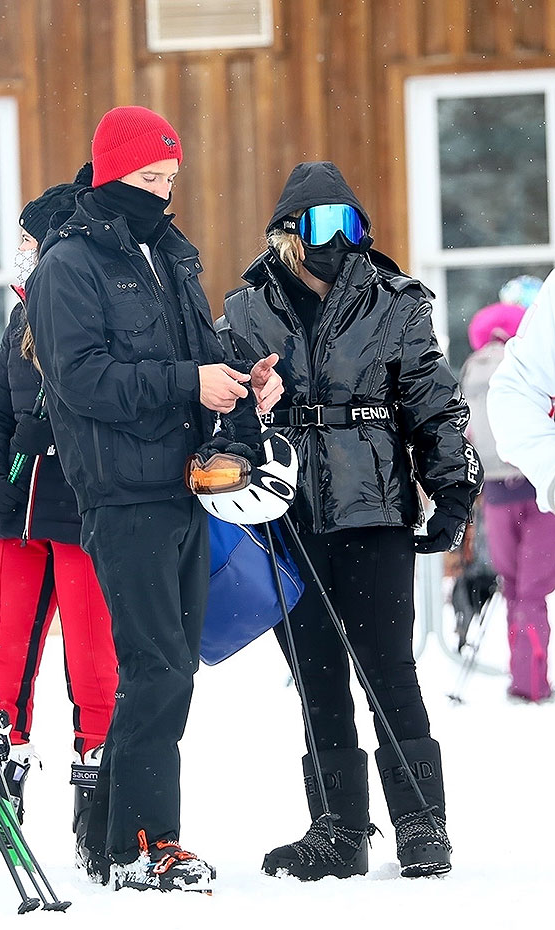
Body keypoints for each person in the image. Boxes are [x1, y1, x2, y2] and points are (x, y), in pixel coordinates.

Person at [24, 105, 283, 894]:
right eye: (148, 178)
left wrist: (246, 385)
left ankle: (109, 843)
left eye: (170, 178)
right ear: (110, 173)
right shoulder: (67, 267)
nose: (162, 192)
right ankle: (147, 843)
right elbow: (81, 380)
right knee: (157, 667)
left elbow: (203, 355)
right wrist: (186, 381)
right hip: (119, 494)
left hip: (183, 489)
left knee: (172, 669)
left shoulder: (167, 253)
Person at [220, 161, 483, 881]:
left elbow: (435, 403)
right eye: (323, 226)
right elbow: (221, 418)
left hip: (375, 512)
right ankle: (338, 828)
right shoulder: (244, 312)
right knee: (316, 674)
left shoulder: (395, 302)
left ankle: (422, 821)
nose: (341, 243)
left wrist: (452, 491)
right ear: (287, 236)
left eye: (353, 225)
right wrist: (248, 425)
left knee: (388, 669)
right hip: (287, 516)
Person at [0, 167, 119, 851]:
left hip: (78, 514)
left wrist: (53, 432)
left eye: (30, 239)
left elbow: (102, 396)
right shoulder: (22, 312)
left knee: (93, 662)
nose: (21, 250)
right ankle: (0, 777)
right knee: (7, 658)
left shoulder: (89, 306)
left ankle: (97, 792)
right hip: (18, 515)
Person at [461, 286, 555, 702]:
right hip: (538, 486)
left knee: (514, 586)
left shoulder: (472, 367)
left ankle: (519, 676)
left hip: (495, 490)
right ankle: (532, 682)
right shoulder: (533, 366)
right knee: (533, 591)